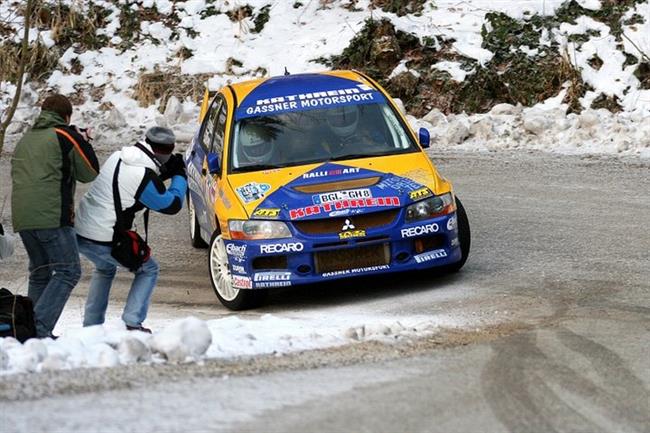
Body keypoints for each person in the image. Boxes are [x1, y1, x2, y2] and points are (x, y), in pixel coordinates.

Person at [74, 127, 187, 333]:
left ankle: (91, 326)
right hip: (103, 236)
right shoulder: (144, 175)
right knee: (148, 269)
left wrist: (162, 173)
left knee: (105, 268)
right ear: (165, 153)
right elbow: (171, 205)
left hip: (82, 229)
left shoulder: (119, 156)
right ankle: (132, 322)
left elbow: (131, 185)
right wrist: (179, 176)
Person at [11, 94, 99, 338]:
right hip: (52, 216)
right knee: (68, 271)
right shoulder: (65, 135)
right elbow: (90, 172)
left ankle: (26, 329)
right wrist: (84, 141)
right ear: (66, 116)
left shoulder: (26, 139)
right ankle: (39, 330)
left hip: (23, 218)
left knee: (40, 272)